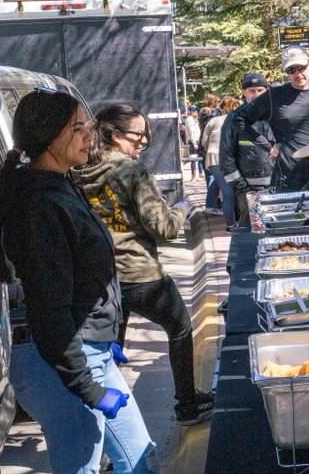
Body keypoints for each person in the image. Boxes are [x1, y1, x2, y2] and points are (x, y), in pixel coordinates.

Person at [0, 90, 157, 474]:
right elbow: (48, 307)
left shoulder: (61, 184)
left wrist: (107, 335)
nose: (89, 136)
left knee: (140, 463)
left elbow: (84, 276)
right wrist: (86, 384)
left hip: (89, 349)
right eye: (78, 129)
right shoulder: (38, 203)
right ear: (50, 137)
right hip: (61, 359)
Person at [74, 102, 214, 427]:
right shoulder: (133, 172)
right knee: (179, 328)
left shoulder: (77, 171)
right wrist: (182, 208)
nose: (143, 144)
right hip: (142, 274)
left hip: (101, 280)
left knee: (108, 356)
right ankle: (188, 406)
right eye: (139, 137)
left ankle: (109, 430)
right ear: (114, 134)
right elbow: (163, 228)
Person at [229, 46, 309, 192]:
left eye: (301, 67)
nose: (298, 74)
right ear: (285, 72)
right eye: (291, 70)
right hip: (289, 179)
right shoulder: (275, 96)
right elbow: (238, 120)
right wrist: (268, 145)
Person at [220, 72, 274, 226]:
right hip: (248, 191)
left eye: (260, 90)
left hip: (277, 187)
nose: (256, 95)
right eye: (252, 91)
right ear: (244, 93)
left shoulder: (277, 115)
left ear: (267, 91)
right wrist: (242, 188)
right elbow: (226, 157)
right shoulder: (234, 119)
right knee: (250, 236)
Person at [202, 95, 239, 227]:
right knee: (232, 192)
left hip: (213, 158)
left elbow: (204, 142)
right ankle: (233, 222)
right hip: (231, 158)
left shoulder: (213, 121)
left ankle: (231, 224)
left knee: (226, 191)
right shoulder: (236, 119)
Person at [183, 104, 201, 180]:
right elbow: (191, 132)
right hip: (193, 140)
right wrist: (194, 142)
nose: (196, 112)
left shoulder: (193, 119)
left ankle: (196, 175)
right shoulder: (190, 119)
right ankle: (193, 176)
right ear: (192, 111)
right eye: (195, 111)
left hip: (195, 140)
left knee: (195, 158)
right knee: (193, 158)